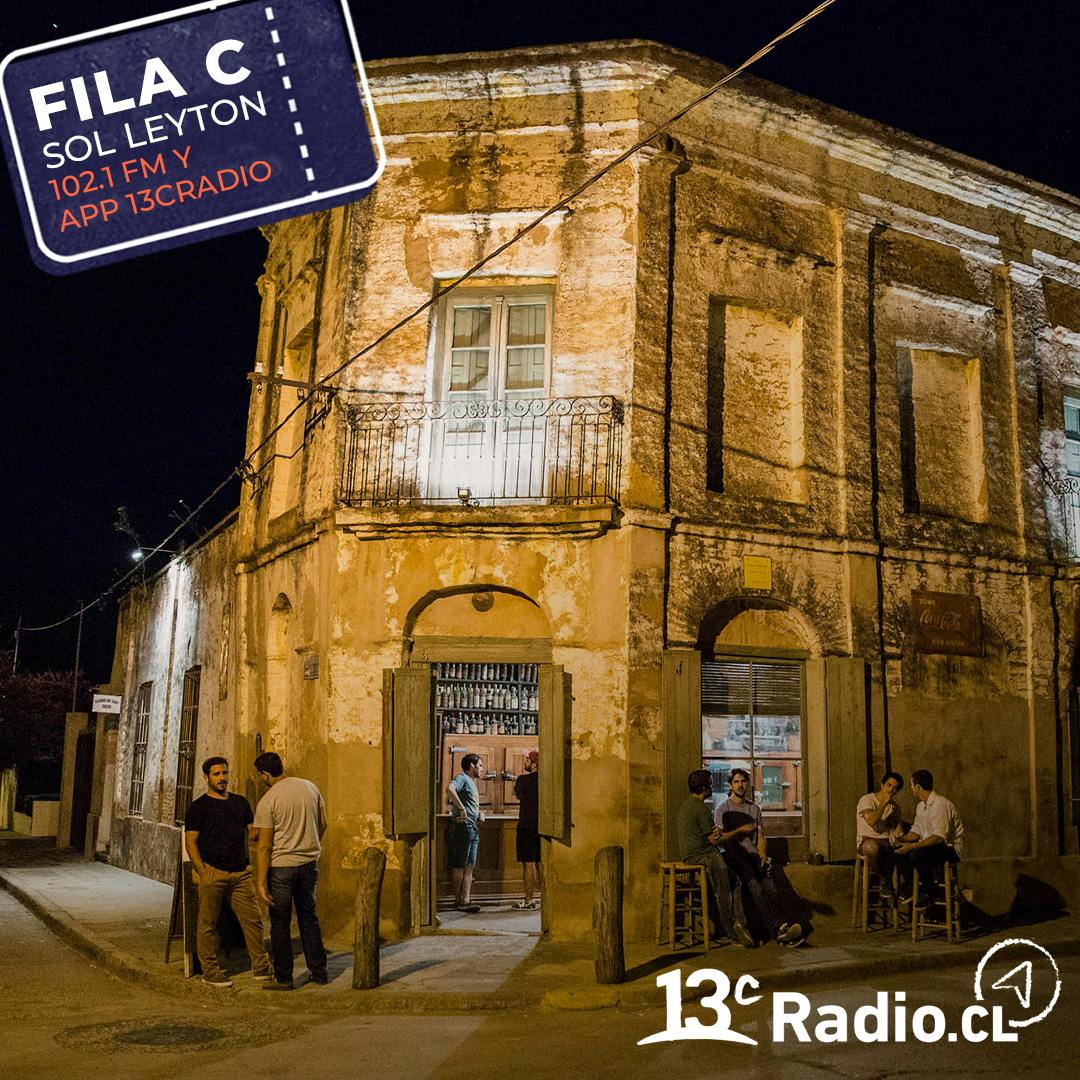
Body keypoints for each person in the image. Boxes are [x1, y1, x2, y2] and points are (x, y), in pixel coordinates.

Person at [183, 756, 273, 988]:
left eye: (224, 773)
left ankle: (261, 967)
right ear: (206, 778)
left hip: (240, 873)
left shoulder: (240, 803)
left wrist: (267, 826)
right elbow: (191, 841)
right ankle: (211, 971)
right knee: (208, 924)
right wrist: (202, 870)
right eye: (216, 774)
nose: (222, 778)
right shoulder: (198, 807)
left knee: (253, 921)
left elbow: (251, 832)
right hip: (213, 871)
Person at [253, 751, 329, 990]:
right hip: (309, 864)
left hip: (282, 868)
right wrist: (310, 845)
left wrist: (260, 882)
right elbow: (323, 823)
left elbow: (264, 845)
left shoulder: (268, 800)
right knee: (309, 918)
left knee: (280, 922)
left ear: (265, 774)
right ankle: (319, 972)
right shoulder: (309, 788)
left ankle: (284, 977)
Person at [714, 768, 803, 946]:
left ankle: (782, 928)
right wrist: (740, 831)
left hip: (753, 857)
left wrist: (763, 855)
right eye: (736, 782)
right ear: (730, 785)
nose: (740, 785)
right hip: (735, 858)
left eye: (743, 781)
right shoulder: (722, 809)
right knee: (754, 886)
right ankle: (778, 929)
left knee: (770, 887)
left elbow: (761, 837)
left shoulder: (754, 808)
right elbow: (720, 839)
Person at [676, 769, 755, 948]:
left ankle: (739, 924)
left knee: (734, 882)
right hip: (703, 855)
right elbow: (715, 839)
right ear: (704, 787)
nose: (712, 786)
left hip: (694, 854)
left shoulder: (688, 804)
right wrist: (740, 831)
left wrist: (716, 833)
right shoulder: (700, 807)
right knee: (725, 890)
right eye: (710, 784)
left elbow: (709, 834)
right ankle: (734, 931)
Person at [894, 769, 964, 910]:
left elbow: (938, 837)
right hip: (930, 846)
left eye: (912, 786)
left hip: (949, 848)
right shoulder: (921, 806)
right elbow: (917, 831)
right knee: (897, 851)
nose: (912, 789)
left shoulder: (941, 805)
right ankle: (912, 887)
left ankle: (931, 893)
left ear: (918, 787)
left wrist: (913, 846)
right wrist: (903, 838)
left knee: (917, 854)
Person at [856, 771, 905, 899]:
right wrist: (883, 803)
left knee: (905, 852)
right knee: (872, 848)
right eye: (889, 785)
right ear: (882, 785)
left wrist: (899, 833)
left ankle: (907, 890)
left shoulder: (895, 807)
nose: (891, 790)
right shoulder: (867, 799)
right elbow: (871, 820)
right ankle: (885, 880)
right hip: (868, 840)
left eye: (895, 788)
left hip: (886, 841)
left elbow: (897, 827)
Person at [446, 753, 485, 913]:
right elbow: (449, 788)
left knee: (470, 865)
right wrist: (461, 809)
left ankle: (466, 900)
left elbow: (472, 804)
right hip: (463, 827)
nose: (482, 769)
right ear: (471, 766)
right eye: (480, 765)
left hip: (473, 827)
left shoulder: (473, 783)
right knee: (460, 865)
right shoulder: (462, 778)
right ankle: (458, 900)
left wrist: (480, 814)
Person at [513, 749, 540, 910]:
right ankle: (547, 900)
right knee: (542, 863)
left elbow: (517, 795)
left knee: (528, 864)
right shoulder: (547, 780)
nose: (524, 763)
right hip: (543, 825)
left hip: (526, 826)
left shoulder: (522, 780)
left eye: (526, 760)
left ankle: (529, 900)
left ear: (534, 763)